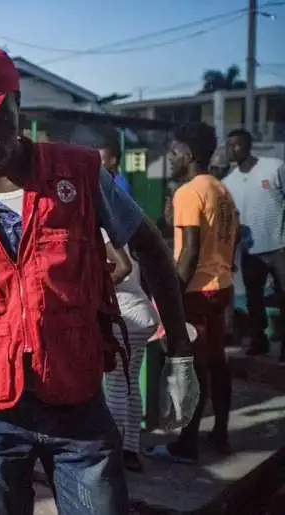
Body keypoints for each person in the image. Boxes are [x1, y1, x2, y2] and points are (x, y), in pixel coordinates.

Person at [0, 46, 197, 515]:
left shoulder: (81, 173)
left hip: (75, 399)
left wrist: (180, 356)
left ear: (17, 103)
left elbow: (151, 249)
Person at [146, 123, 239, 463]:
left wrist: (172, 296)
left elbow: (189, 253)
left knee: (193, 367)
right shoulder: (222, 190)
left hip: (197, 291)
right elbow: (234, 236)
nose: (169, 158)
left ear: (188, 154)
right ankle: (221, 434)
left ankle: (186, 445)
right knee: (218, 363)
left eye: (173, 152)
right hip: (221, 285)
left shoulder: (188, 192)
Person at [222, 128, 285, 360]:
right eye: (229, 146)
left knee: (283, 295)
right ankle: (259, 341)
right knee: (253, 298)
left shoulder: (274, 167)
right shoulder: (228, 182)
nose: (232, 150)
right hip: (250, 251)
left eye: (236, 145)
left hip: (279, 247)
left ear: (248, 146)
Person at [101, 229, 160, 472]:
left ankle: (112, 454)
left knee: (115, 385)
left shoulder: (99, 230)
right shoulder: (116, 233)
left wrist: (97, 288)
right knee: (130, 383)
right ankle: (130, 450)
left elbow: (122, 267)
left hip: (126, 317)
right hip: (142, 315)